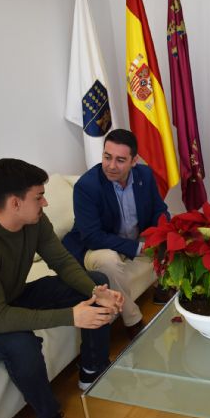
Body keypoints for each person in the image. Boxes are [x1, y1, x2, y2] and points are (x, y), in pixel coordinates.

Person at [0, 158, 124, 418]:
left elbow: (63, 262)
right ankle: (49, 414)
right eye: (39, 197)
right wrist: (72, 316)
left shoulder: (35, 221)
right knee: (22, 345)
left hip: (15, 296)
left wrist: (96, 292)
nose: (45, 203)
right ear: (15, 203)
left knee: (95, 280)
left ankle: (92, 370)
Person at [62, 129, 170, 339]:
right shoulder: (87, 186)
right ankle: (133, 322)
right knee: (109, 261)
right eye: (107, 157)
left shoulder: (145, 175)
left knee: (171, 235)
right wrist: (138, 248)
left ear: (134, 160)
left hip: (132, 236)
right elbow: (92, 235)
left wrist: (163, 234)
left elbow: (159, 210)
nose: (111, 166)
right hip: (95, 246)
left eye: (120, 160)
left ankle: (163, 287)